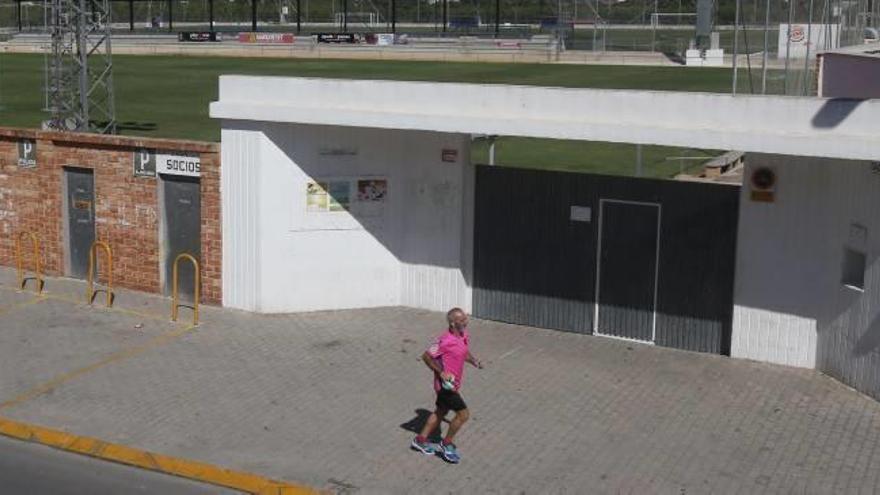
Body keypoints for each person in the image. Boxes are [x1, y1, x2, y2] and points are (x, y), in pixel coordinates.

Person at [411, 308, 483, 463]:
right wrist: (442, 372)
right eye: (462, 320)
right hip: (445, 387)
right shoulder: (444, 340)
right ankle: (446, 444)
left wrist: (474, 361)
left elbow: (464, 352)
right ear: (452, 323)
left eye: (465, 318)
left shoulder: (463, 335)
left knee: (440, 412)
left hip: (454, 385)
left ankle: (420, 440)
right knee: (463, 414)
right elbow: (426, 356)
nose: (466, 321)